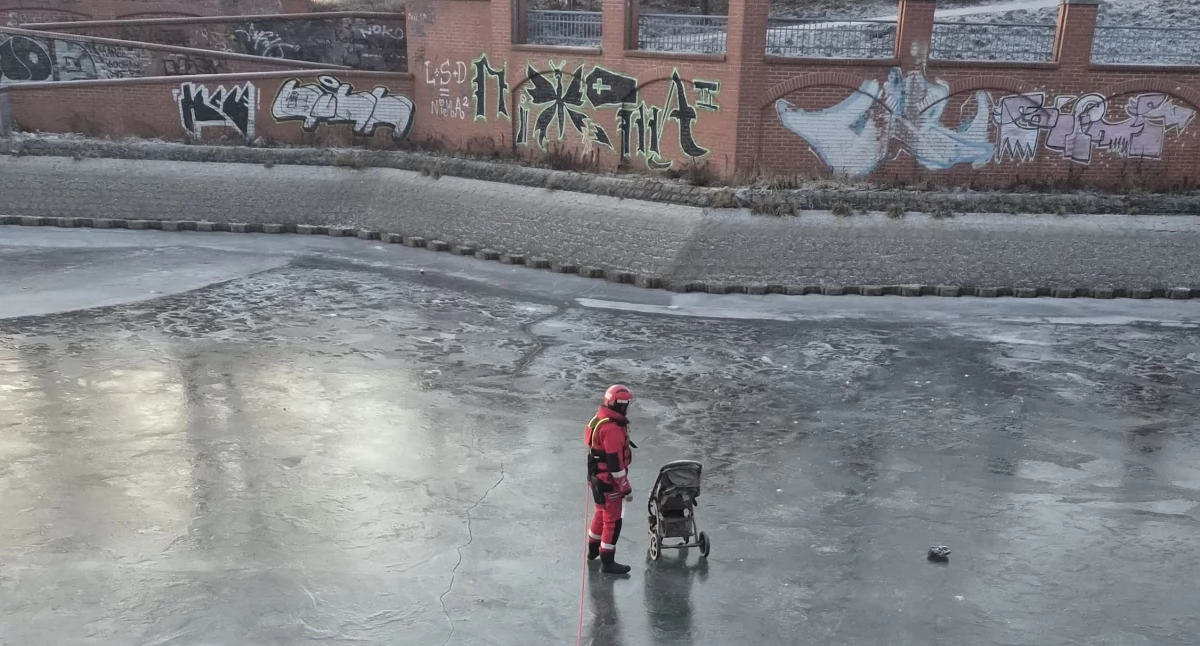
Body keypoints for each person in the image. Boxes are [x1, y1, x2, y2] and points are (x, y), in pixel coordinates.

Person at [585, 384, 636, 574]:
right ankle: (607, 561)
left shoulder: (597, 419)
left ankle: (592, 551)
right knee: (612, 521)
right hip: (608, 481)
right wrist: (626, 488)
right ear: (620, 405)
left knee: (600, 513)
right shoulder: (612, 429)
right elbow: (615, 465)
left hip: (596, 478)